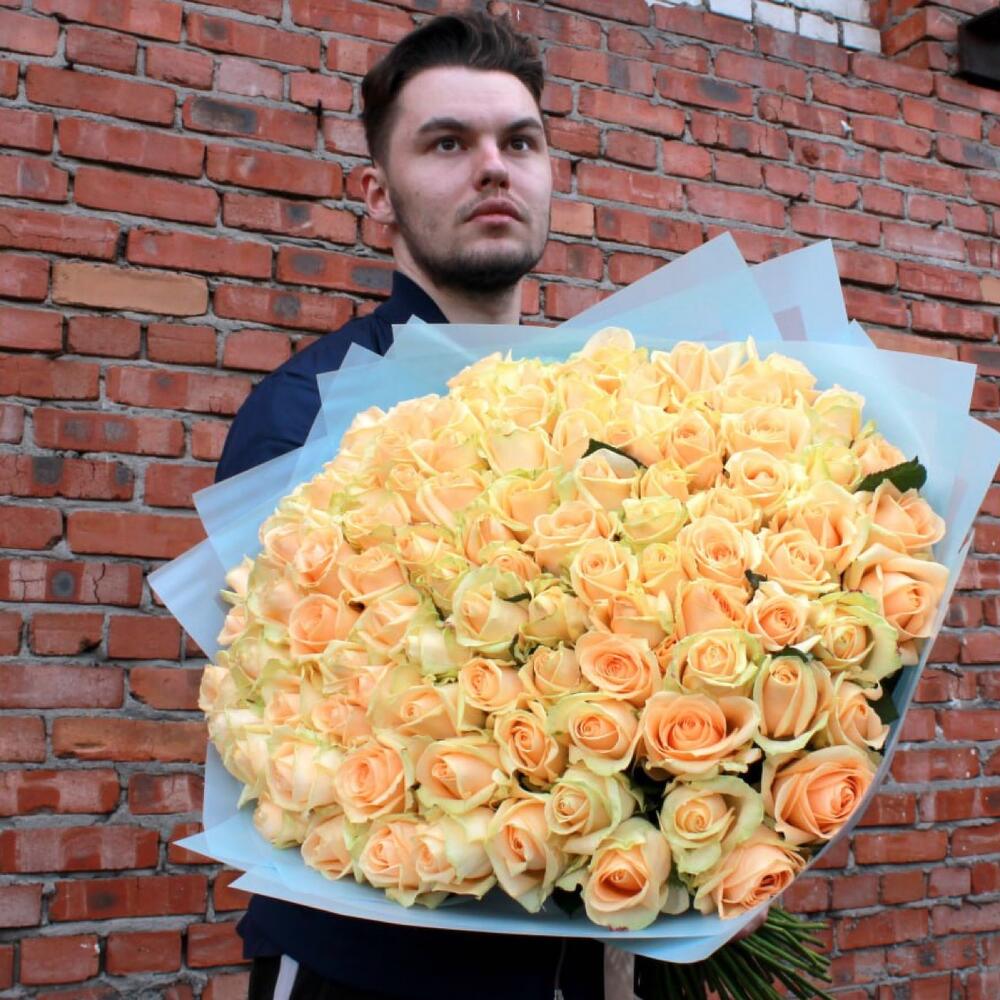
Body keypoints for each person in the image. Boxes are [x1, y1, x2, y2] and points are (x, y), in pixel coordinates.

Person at [215, 12, 606, 1000]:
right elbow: (277, 723)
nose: (493, 167)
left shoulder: (600, 404)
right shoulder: (304, 416)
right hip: (366, 967)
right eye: (447, 143)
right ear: (376, 195)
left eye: (520, 142)